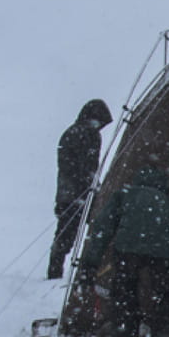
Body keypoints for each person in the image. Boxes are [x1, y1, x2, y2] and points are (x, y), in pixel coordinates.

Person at [78, 164, 169, 337]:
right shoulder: (168, 203)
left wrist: (89, 265)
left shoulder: (124, 195)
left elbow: (102, 230)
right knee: (166, 294)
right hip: (163, 252)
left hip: (127, 249)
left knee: (125, 292)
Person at [49, 99, 114, 279]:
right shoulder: (86, 134)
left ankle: (55, 272)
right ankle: (88, 273)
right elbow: (86, 167)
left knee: (64, 235)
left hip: (68, 194)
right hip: (78, 194)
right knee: (90, 233)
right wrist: (91, 187)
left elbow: (74, 166)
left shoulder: (72, 132)